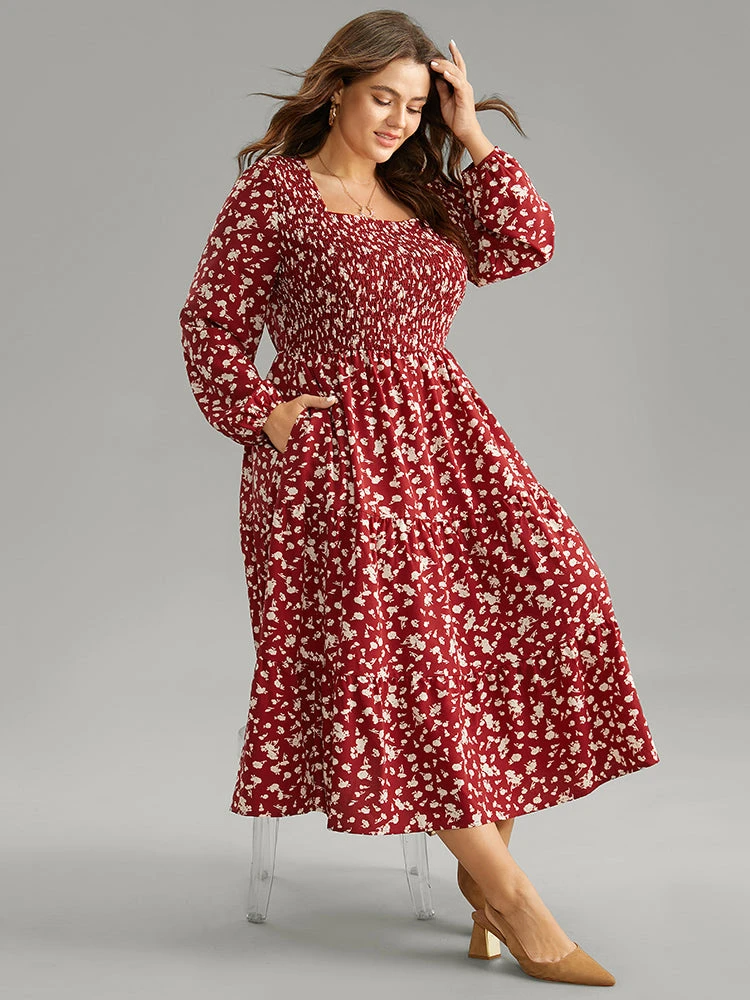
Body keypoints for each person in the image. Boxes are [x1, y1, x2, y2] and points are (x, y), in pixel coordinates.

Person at [179, 9, 660, 987]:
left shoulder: (426, 192)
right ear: (337, 93)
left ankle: (484, 877)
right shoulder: (276, 194)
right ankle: (513, 898)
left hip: (446, 443)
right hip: (332, 464)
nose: (398, 120)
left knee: (562, 586)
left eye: (414, 104)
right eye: (382, 98)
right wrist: (264, 415)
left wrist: (470, 131)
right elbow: (209, 323)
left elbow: (528, 241)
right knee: (404, 637)